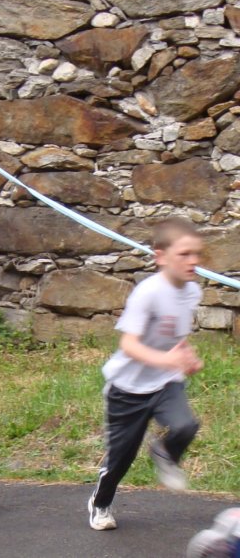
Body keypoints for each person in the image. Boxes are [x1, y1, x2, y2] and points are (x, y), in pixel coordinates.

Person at [88, 218, 203, 531]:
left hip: (165, 383)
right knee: (120, 459)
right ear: (160, 256)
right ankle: (100, 503)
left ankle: (164, 452)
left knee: (186, 425)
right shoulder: (148, 292)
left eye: (196, 254)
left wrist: (186, 357)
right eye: (184, 254)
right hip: (127, 388)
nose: (193, 261)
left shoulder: (192, 291)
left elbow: (175, 336)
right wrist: (167, 359)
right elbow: (128, 344)